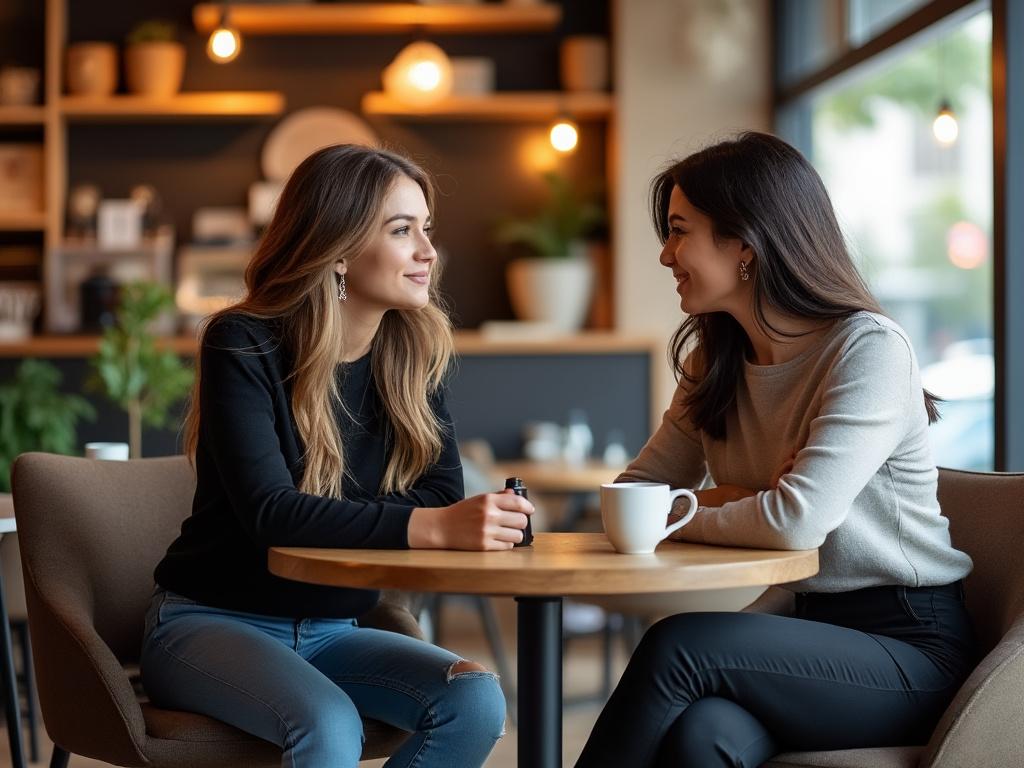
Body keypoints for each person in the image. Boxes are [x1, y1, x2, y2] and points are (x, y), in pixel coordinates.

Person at [575, 132, 976, 768]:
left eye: (680, 231)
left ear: (745, 246)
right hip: (804, 629)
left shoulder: (867, 349)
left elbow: (795, 523)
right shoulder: (715, 361)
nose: (664, 254)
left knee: (679, 645)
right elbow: (632, 497)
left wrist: (702, 509)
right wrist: (730, 503)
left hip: (907, 646)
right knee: (701, 736)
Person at [140, 144, 532, 768]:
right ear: (340, 249)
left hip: (333, 631)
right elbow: (271, 513)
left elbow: (440, 492)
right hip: (209, 624)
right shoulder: (243, 343)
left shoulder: (411, 356)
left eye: (426, 229)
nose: (428, 252)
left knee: (475, 701)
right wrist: (427, 525)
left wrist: (420, 516)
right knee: (328, 725)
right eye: (402, 231)